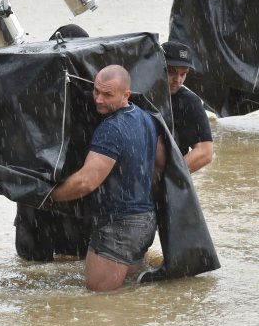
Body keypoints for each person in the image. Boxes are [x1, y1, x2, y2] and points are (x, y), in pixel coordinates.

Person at [48, 65, 162, 292]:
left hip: (118, 226)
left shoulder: (111, 128)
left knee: (98, 302)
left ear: (126, 95)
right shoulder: (146, 118)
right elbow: (160, 164)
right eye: (96, 91)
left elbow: (87, 181)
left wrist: (48, 196)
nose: (98, 100)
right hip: (145, 221)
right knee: (128, 294)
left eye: (107, 94)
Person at [14, 24, 92, 262]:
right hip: (50, 202)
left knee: (39, 277)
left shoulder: (25, 91)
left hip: (45, 198)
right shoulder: (97, 97)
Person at [161, 41, 214, 173]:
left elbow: (205, 152)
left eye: (183, 74)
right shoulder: (140, 94)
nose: (178, 80)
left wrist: (167, 178)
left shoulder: (189, 102)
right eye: (171, 72)